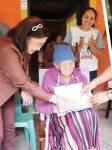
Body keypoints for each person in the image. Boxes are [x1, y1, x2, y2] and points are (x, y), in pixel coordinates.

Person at [0, 16, 75, 150]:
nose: (38, 48)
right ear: (26, 36)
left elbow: (20, 72)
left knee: (9, 129)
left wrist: (23, 89)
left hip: (6, 93)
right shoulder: (7, 49)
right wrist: (55, 99)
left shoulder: (22, 47)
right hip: (2, 90)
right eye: (39, 44)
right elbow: (23, 81)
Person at [35, 44, 100, 150]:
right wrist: (55, 108)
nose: (69, 67)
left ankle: (89, 147)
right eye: (64, 65)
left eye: (71, 63)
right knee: (74, 122)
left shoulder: (79, 75)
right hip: (58, 114)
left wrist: (90, 99)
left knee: (92, 115)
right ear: (57, 65)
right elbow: (39, 105)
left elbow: (88, 96)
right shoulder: (49, 77)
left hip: (78, 109)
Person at [64, 7, 104, 81]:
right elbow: (64, 51)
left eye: (92, 18)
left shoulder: (96, 33)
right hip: (75, 69)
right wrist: (77, 48)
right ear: (82, 17)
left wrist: (92, 47)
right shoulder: (72, 30)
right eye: (86, 17)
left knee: (89, 91)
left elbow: (100, 55)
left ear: (94, 20)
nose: (88, 20)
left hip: (92, 70)